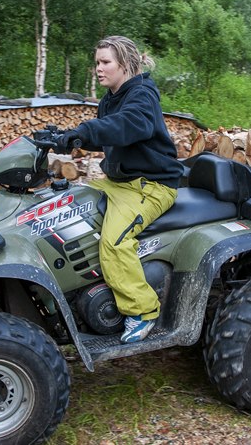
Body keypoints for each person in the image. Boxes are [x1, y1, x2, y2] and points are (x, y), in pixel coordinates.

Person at [56, 36, 183, 343]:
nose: (98, 68)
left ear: (124, 64)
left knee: (114, 242)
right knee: (65, 207)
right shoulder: (111, 97)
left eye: (105, 62)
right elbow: (107, 135)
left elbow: (128, 126)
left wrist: (83, 130)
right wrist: (71, 138)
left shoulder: (142, 95)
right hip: (118, 183)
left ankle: (142, 310)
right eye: (97, 62)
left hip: (149, 186)